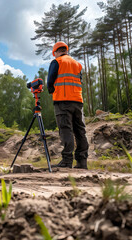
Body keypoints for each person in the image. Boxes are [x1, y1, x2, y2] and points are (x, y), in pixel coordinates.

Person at [47, 41, 89, 169]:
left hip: (62, 101)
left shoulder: (57, 62)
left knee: (66, 130)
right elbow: (79, 80)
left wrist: (51, 90)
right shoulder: (77, 64)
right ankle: (82, 162)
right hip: (78, 101)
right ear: (66, 50)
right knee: (80, 131)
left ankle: (67, 160)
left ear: (55, 52)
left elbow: (50, 81)